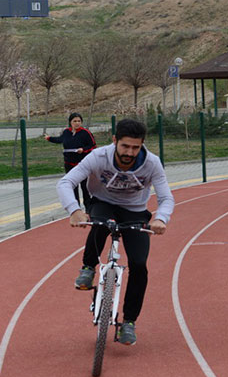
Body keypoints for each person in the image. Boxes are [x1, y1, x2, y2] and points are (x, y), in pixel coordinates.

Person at [56, 119, 173, 346]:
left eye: (135, 148)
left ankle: (129, 322)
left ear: (142, 145)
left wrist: (160, 218)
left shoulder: (152, 163)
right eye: (125, 146)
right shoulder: (98, 157)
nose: (129, 152)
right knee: (101, 223)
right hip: (103, 202)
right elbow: (66, 182)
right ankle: (88, 267)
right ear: (114, 141)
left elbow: (166, 197)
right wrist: (74, 210)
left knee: (139, 264)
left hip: (135, 210)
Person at [46, 112, 97, 211]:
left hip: (82, 165)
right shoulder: (66, 132)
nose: (77, 123)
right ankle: (76, 209)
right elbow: (60, 139)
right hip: (69, 164)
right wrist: (49, 138)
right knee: (73, 187)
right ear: (70, 122)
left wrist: (83, 150)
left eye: (79, 121)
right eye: (75, 121)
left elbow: (93, 146)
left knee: (85, 187)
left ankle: (88, 208)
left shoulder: (86, 133)